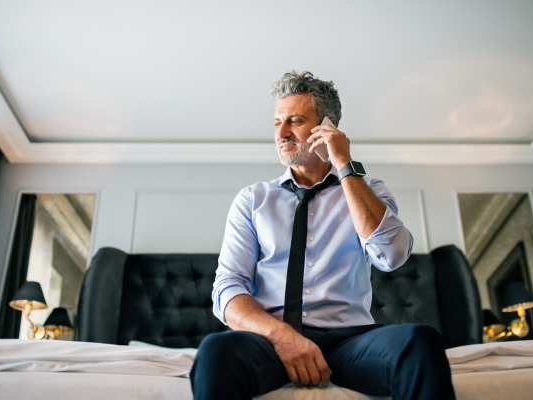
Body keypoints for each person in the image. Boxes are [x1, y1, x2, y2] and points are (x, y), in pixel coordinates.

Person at [190, 71, 456, 400]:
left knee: (420, 342)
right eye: (276, 123)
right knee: (218, 350)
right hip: (269, 343)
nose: (282, 133)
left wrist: (344, 163)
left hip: (351, 342)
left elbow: (391, 255)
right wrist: (283, 337)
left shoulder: (366, 189)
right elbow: (227, 288)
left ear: (326, 127)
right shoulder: (253, 200)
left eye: (294, 121)